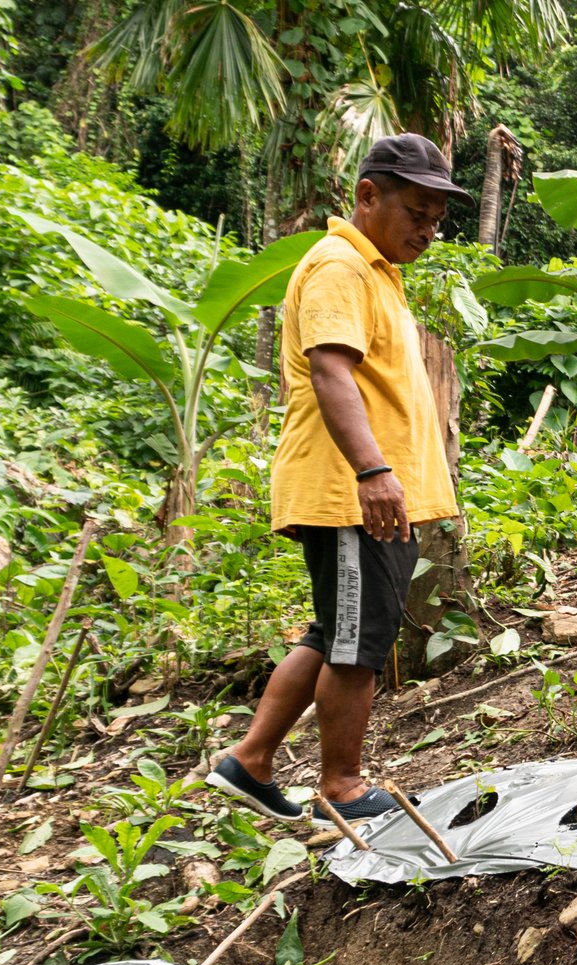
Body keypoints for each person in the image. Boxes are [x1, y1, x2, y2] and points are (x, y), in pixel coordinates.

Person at [208, 134, 468, 824]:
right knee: (357, 642)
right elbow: (330, 370)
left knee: (336, 630)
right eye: (416, 212)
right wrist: (374, 471)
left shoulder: (376, 271)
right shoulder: (341, 267)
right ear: (367, 196)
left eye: (437, 220)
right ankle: (341, 787)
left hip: (367, 492)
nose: (427, 230)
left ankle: (251, 761)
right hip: (352, 494)